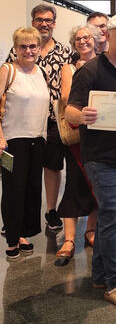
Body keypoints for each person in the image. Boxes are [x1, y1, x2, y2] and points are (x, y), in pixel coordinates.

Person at [66, 14, 116, 308]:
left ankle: (101, 274)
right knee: (113, 213)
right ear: (107, 37)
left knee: (111, 215)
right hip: (99, 156)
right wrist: (82, 115)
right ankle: (114, 281)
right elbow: (70, 112)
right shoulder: (91, 70)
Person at [6, 4, 75, 232]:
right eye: (39, 19)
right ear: (33, 22)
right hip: (22, 122)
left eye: (48, 20)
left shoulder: (65, 52)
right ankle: (15, 222)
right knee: (18, 177)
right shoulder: (16, 54)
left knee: (50, 167)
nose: (44, 23)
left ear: (54, 23)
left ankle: (50, 210)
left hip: (54, 121)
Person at [0, 27, 50, 259]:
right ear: (16, 48)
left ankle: (24, 233)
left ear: (39, 48)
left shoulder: (41, 72)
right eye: (23, 46)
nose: (28, 51)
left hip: (37, 139)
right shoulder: (8, 70)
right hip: (12, 141)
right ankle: (12, 238)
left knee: (32, 189)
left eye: (33, 46)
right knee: (13, 190)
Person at [54, 25, 100, 266]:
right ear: (74, 43)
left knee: (96, 184)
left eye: (87, 37)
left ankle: (90, 231)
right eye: (79, 38)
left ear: (96, 40)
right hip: (77, 135)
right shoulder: (69, 68)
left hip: (100, 134)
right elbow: (66, 97)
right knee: (74, 183)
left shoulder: (104, 64)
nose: (83, 41)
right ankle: (69, 239)